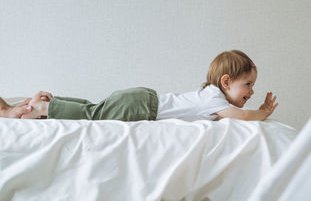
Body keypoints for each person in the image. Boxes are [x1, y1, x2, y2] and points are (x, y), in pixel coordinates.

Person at [19, 50, 279, 121]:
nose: (252, 91)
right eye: (248, 84)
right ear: (225, 82)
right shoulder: (215, 100)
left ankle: (52, 103)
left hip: (143, 99)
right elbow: (243, 116)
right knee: (94, 115)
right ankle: (44, 108)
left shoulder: (211, 96)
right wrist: (264, 112)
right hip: (143, 106)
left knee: (94, 108)